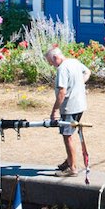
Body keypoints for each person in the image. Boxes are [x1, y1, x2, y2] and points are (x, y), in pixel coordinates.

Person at [45, 45, 90, 177]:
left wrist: (54, 111)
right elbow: (88, 72)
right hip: (80, 105)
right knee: (71, 133)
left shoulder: (62, 68)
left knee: (67, 136)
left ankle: (72, 168)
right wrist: (79, 85)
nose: (52, 65)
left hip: (70, 107)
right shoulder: (74, 62)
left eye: (51, 62)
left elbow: (62, 92)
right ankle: (69, 161)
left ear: (55, 57)